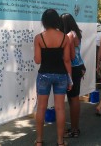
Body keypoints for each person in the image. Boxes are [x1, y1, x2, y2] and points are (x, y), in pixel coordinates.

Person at [34, 9, 72, 146]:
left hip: (44, 74)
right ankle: (60, 142)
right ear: (57, 21)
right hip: (61, 75)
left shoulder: (39, 38)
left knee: (41, 108)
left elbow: (37, 60)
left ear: (44, 21)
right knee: (60, 108)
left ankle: (39, 141)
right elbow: (67, 59)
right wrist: (70, 79)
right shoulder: (64, 37)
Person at [60, 13, 85, 138]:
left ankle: (75, 129)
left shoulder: (69, 35)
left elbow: (71, 56)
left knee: (73, 98)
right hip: (78, 67)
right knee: (73, 98)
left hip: (72, 69)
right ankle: (75, 128)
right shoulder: (76, 33)